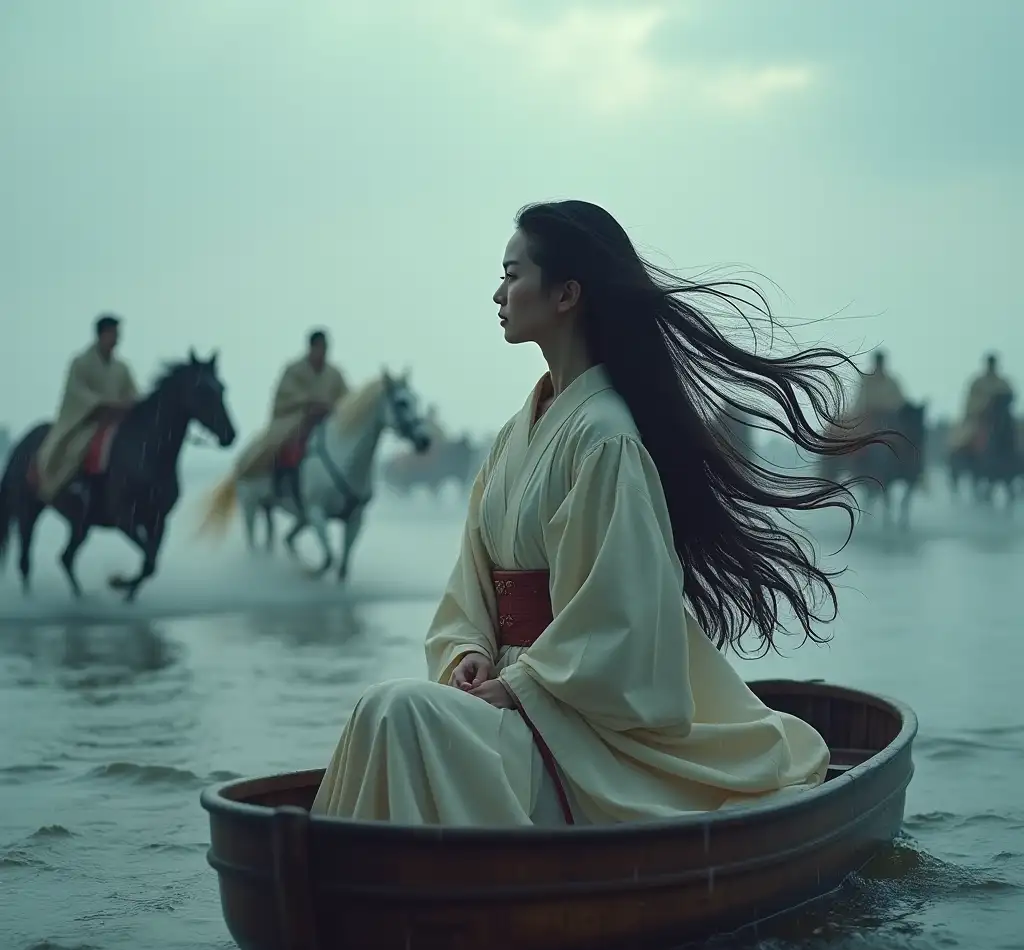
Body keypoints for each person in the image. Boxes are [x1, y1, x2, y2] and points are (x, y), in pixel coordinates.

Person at [311, 200, 875, 828]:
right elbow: (472, 576)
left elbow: (623, 620)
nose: (499, 294)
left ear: (565, 295)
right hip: (509, 691)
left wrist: (523, 687)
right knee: (382, 709)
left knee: (397, 711)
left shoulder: (607, 438)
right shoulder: (513, 434)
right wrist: (470, 648)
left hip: (572, 718)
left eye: (512, 274)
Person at [34, 314, 139, 506]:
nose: (117, 338)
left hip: (115, 421)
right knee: (78, 448)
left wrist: (131, 403)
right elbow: (77, 392)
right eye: (113, 334)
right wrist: (102, 404)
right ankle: (70, 485)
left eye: (118, 334)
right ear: (101, 335)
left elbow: (132, 392)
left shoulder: (121, 367)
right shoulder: (81, 362)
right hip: (87, 421)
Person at [231, 329, 348, 483]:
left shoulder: (334, 374)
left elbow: (346, 398)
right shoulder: (294, 370)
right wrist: (310, 403)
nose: (323, 352)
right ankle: (264, 474)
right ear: (311, 348)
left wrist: (332, 407)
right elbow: (286, 397)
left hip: (327, 418)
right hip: (298, 417)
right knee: (277, 440)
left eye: (325, 348)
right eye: (319, 348)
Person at [949, 353, 1014, 453]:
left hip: (1001, 419)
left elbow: (1010, 398)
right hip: (980, 418)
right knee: (968, 438)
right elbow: (971, 403)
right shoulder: (978, 383)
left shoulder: (1002, 383)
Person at [845, 351, 908, 430]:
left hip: (889, 418)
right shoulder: (867, 380)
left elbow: (900, 402)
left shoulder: (891, 382)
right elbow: (860, 401)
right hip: (869, 418)